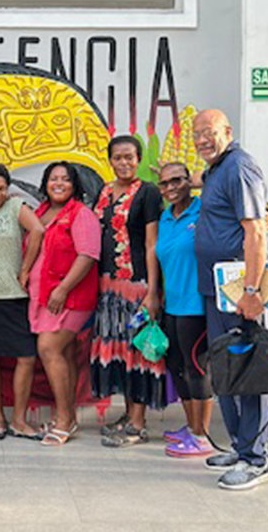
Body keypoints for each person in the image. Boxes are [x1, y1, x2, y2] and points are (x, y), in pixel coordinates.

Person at [192, 108, 268, 491]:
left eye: (209, 132)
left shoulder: (240, 166)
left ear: (228, 131)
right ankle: (242, 446)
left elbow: (256, 232)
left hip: (242, 290)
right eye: (197, 134)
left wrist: (251, 291)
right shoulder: (217, 170)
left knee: (250, 370)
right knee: (226, 367)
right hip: (220, 288)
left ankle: (256, 459)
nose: (201, 140)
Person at [92, 135, 165, 449]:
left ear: (138, 160)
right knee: (119, 352)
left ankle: (137, 424)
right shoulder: (105, 192)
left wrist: (153, 290)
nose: (124, 163)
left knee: (137, 352)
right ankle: (127, 414)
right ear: (110, 160)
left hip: (137, 288)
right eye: (118, 157)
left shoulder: (148, 192)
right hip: (109, 289)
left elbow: (152, 244)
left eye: (129, 157)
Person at [0, 163, 45, 440]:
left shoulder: (16, 207)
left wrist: (25, 269)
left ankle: (19, 420)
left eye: (1, 188)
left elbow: (37, 230)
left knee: (26, 355)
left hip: (15, 295)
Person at [30, 162, 101, 447]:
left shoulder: (81, 214)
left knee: (49, 348)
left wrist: (63, 288)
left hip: (69, 296)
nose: (58, 183)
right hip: (45, 296)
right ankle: (68, 417)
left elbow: (87, 254)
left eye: (65, 179)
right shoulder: (40, 212)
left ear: (75, 185)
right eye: (53, 178)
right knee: (65, 353)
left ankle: (63, 420)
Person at [154, 162, 214, 458]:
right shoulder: (166, 217)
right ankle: (191, 428)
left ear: (189, 180)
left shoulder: (204, 211)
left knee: (197, 369)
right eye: (164, 184)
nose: (170, 188)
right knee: (177, 367)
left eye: (176, 180)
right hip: (172, 305)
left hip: (197, 305)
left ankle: (202, 435)